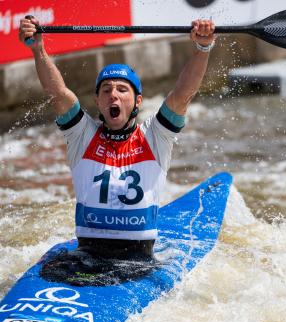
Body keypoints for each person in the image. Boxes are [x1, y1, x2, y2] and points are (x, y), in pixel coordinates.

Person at [18, 16, 216, 284]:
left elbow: (183, 94)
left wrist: (202, 48)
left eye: (123, 90)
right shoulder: (82, 136)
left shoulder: (156, 136)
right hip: (85, 256)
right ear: (98, 102)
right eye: (106, 90)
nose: (114, 95)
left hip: (136, 261)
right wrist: (38, 48)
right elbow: (58, 92)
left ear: (137, 101)